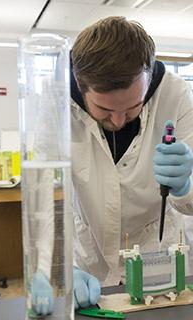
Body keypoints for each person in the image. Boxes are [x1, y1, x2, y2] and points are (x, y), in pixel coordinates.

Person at [70, 16, 193, 309]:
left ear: (148, 79)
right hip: (88, 264)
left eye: (132, 107)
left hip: (158, 260)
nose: (118, 120)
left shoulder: (176, 96)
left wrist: (185, 185)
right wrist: (56, 268)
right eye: (104, 108)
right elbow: (45, 202)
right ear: (80, 84)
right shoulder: (56, 103)